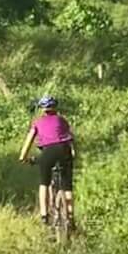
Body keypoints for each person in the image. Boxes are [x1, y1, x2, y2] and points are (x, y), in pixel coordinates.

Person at [19, 95, 76, 227]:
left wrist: (23, 157)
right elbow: (71, 137)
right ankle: (71, 218)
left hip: (48, 151)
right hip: (64, 149)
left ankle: (44, 215)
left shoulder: (38, 122)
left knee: (44, 183)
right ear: (55, 108)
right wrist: (73, 152)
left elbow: (29, 140)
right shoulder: (62, 120)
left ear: (42, 109)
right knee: (67, 187)